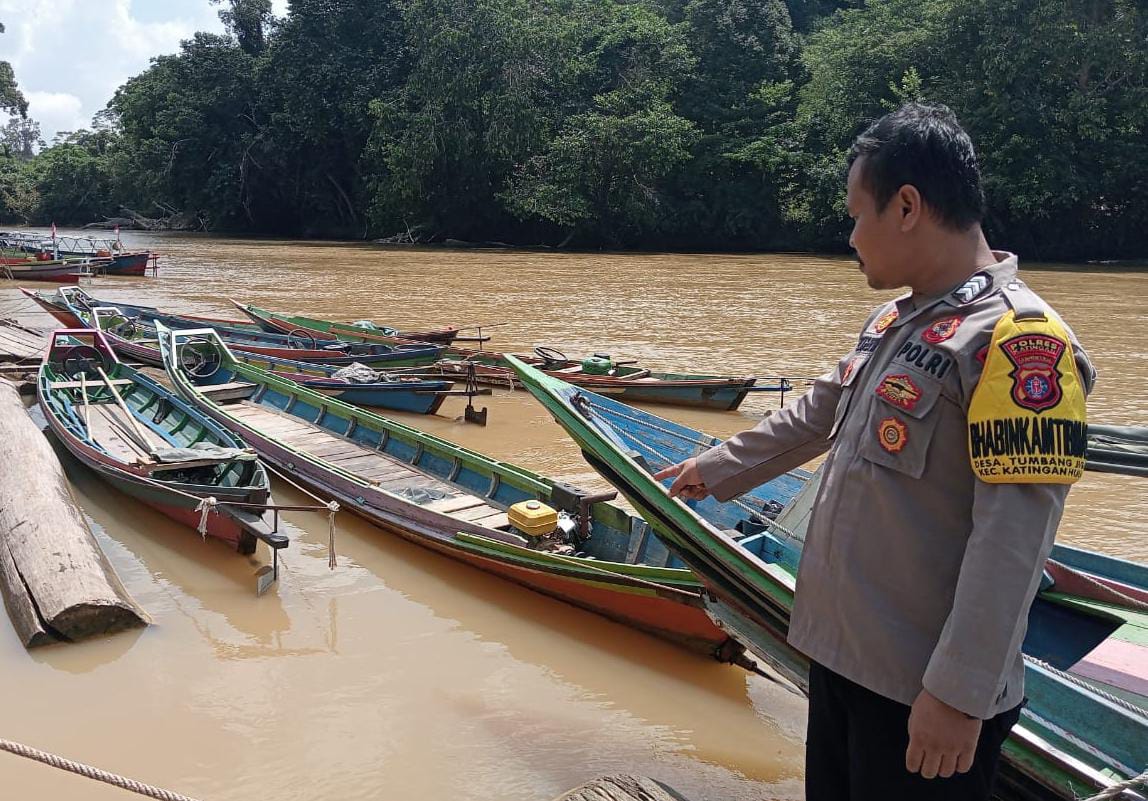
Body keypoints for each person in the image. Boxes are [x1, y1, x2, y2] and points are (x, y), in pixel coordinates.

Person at [655, 102, 1094, 801]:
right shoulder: (898, 317)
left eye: (859, 215)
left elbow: (1013, 539)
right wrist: (719, 466)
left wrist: (958, 693)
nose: (852, 235)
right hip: (845, 658)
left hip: (920, 690)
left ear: (909, 206)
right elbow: (819, 410)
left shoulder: (1017, 343)